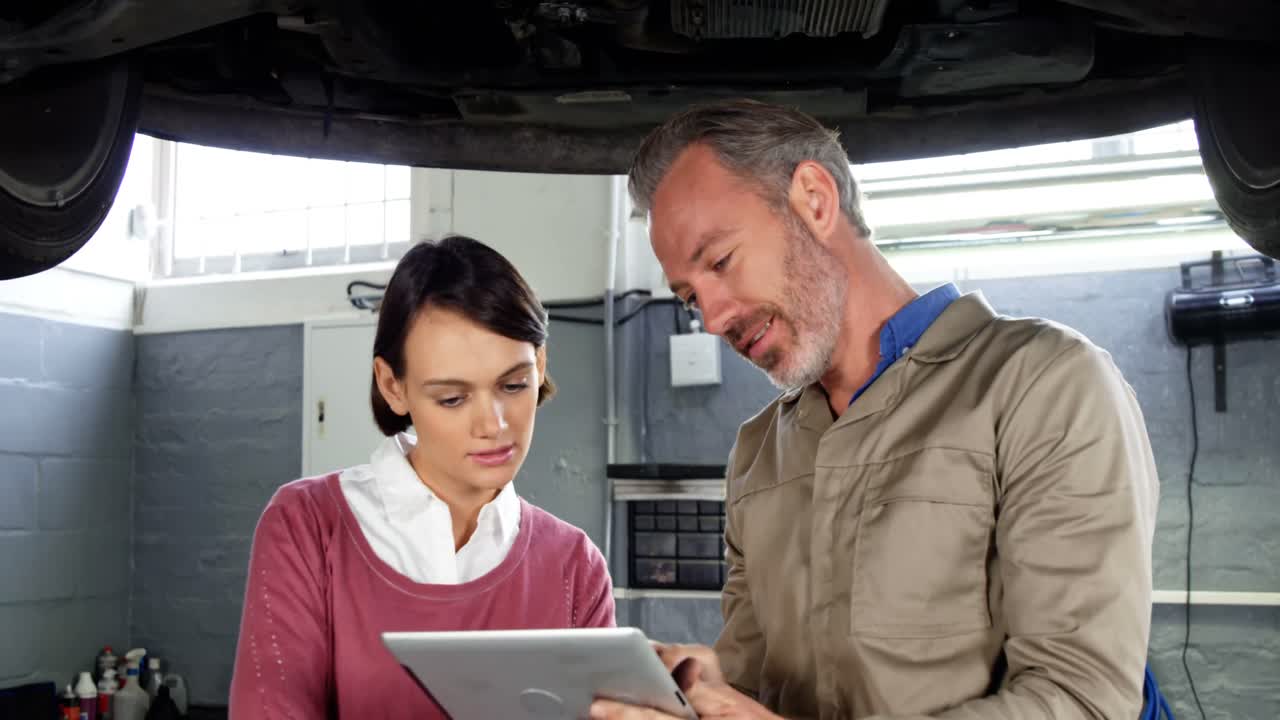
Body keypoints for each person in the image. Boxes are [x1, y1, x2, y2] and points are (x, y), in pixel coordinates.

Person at [592, 100, 1159, 719]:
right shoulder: (758, 452)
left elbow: (1083, 702)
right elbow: (762, 684)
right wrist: (692, 685)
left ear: (813, 198)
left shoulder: (1043, 384)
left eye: (721, 262)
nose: (714, 318)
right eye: (689, 296)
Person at [229, 235, 615, 719]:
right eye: (452, 398)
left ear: (539, 365)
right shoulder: (307, 527)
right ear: (393, 386)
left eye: (513, 384)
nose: (494, 424)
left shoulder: (575, 569)